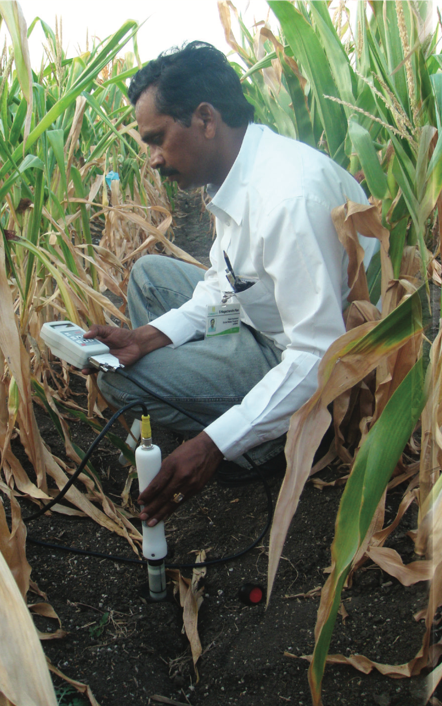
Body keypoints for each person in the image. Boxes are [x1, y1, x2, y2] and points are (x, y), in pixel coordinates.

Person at [84, 42, 378, 528]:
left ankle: (262, 449)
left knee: (118, 379)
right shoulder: (238, 172)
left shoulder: (287, 200)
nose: (153, 159)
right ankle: (198, 400)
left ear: (204, 119)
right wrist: (146, 337)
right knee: (149, 276)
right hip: (260, 322)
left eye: (157, 139)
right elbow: (225, 285)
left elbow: (319, 357)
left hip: (297, 365)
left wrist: (213, 445)